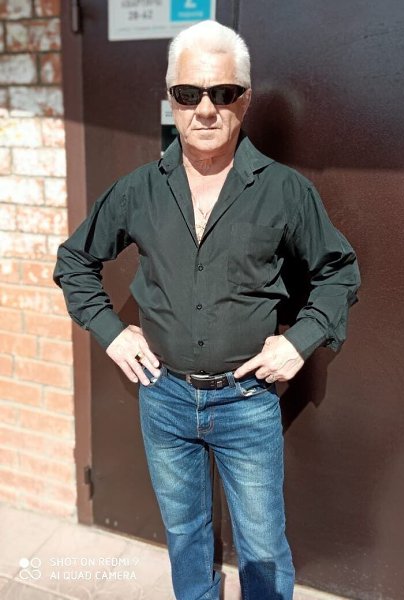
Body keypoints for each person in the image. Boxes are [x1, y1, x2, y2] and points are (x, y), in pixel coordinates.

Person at [54, 20, 360, 600]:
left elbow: (339, 272)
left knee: (263, 548)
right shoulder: (138, 189)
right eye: (188, 93)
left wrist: (299, 342)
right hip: (164, 399)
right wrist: (113, 333)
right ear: (170, 98)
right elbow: (75, 262)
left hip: (247, 402)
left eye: (223, 93)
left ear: (245, 99)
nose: (205, 110)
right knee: (186, 539)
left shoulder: (284, 191)